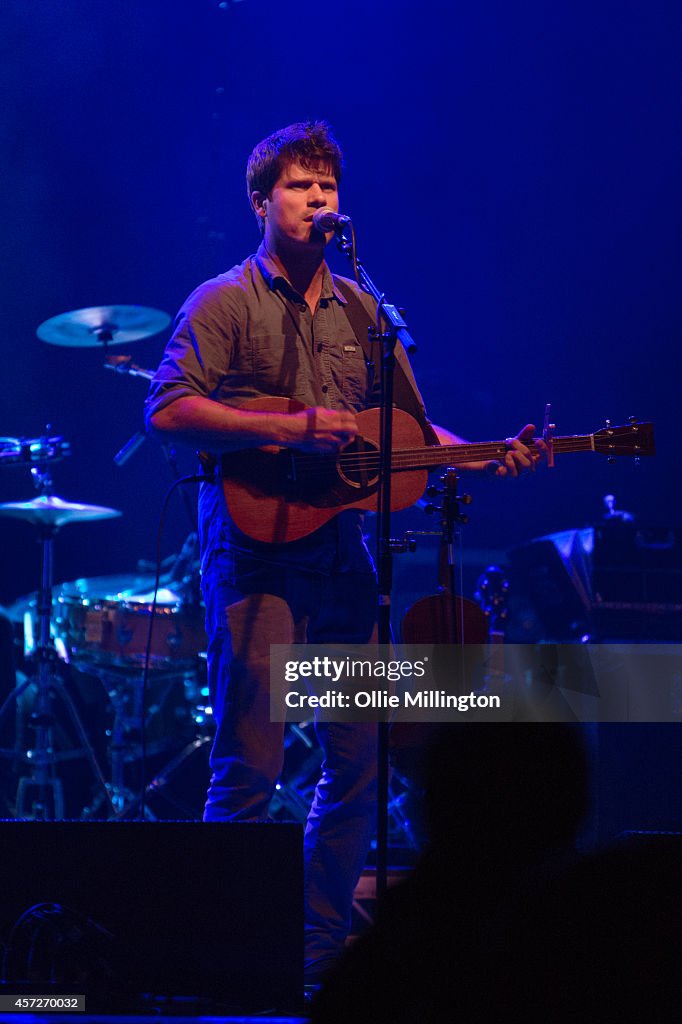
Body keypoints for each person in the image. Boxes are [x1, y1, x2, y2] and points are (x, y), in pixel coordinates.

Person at [144, 120, 542, 986]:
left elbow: (410, 432)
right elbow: (166, 410)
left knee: (357, 760)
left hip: (343, 564)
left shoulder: (367, 312)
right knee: (249, 762)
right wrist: (287, 427)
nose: (318, 199)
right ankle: (220, 958)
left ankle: (317, 953)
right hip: (256, 558)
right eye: (298, 185)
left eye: (327, 185)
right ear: (261, 203)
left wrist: (483, 454)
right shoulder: (222, 302)